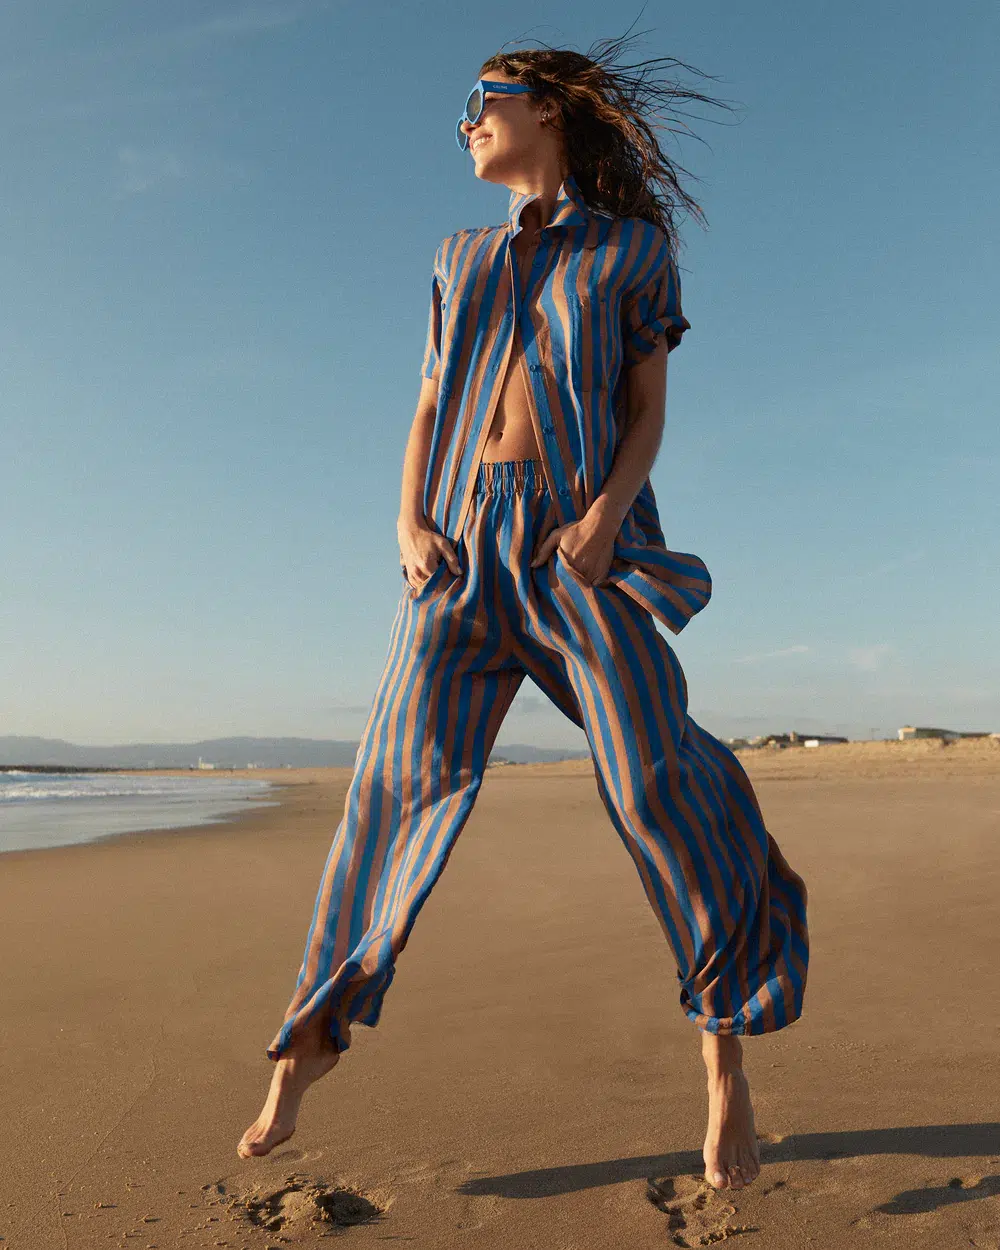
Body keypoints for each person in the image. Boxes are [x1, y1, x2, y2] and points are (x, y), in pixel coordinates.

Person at [238, 39, 809, 1193]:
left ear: (544, 111)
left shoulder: (634, 252)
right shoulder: (456, 254)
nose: (464, 126)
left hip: (579, 547)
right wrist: (406, 525)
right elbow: (428, 399)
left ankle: (724, 1058)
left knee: (653, 780)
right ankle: (306, 1040)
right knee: (392, 787)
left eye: (479, 105)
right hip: (455, 550)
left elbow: (646, 409)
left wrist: (602, 515)